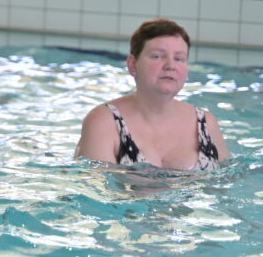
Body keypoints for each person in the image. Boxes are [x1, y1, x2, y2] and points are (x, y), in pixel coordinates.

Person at [75, 18, 229, 170]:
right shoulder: (104, 122)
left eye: (179, 58)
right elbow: (96, 191)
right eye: (157, 56)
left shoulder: (205, 123)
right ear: (133, 65)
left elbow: (227, 183)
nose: (170, 66)